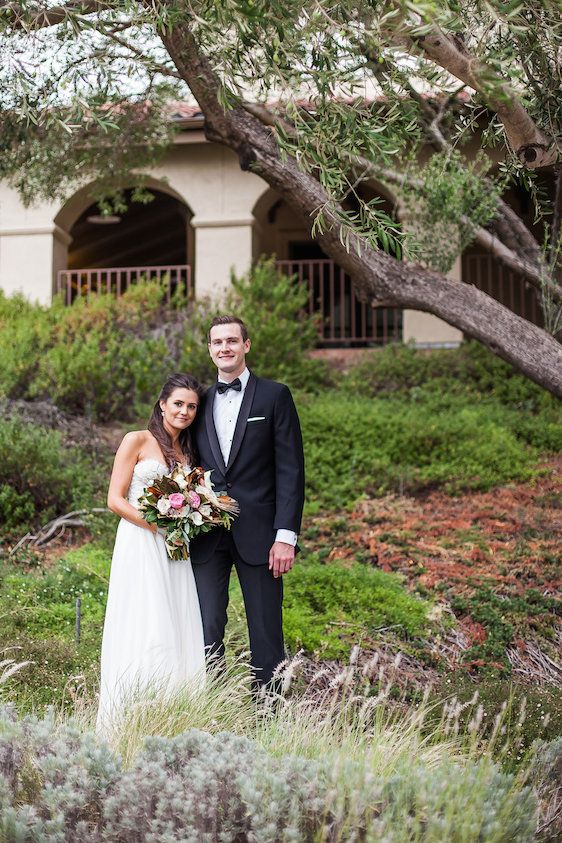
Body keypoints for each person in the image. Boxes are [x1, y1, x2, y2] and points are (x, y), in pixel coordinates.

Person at [190, 316, 305, 689]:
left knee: (266, 628)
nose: (224, 348)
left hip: (262, 536)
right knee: (205, 625)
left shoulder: (275, 396)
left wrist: (285, 536)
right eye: (217, 342)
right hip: (207, 533)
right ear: (209, 350)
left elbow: (291, 469)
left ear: (246, 345)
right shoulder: (199, 401)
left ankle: (268, 715)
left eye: (232, 341)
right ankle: (212, 706)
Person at [97, 373, 205, 731]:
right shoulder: (137, 440)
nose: (185, 411)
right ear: (162, 404)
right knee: (145, 621)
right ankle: (130, 716)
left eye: (191, 406)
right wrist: (156, 525)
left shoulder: (187, 452)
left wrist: (188, 516)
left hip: (175, 548)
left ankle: (172, 716)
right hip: (140, 542)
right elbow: (114, 499)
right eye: (178, 403)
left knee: (175, 620)